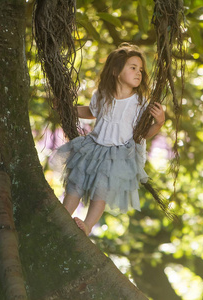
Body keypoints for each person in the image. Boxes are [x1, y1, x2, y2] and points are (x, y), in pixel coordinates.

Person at [56, 43, 165, 235]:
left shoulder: (139, 103)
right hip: (94, 147)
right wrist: (69, 110)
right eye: (133, 68)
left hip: (117, 154)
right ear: (115, 71)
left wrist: (158, 124)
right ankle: (63, 214)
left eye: (140, 70)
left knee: (101, 191)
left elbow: (143, 133)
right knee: (77, 182)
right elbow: (91, 112)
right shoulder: (102, 95)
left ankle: (88, 225)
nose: (138, 73)